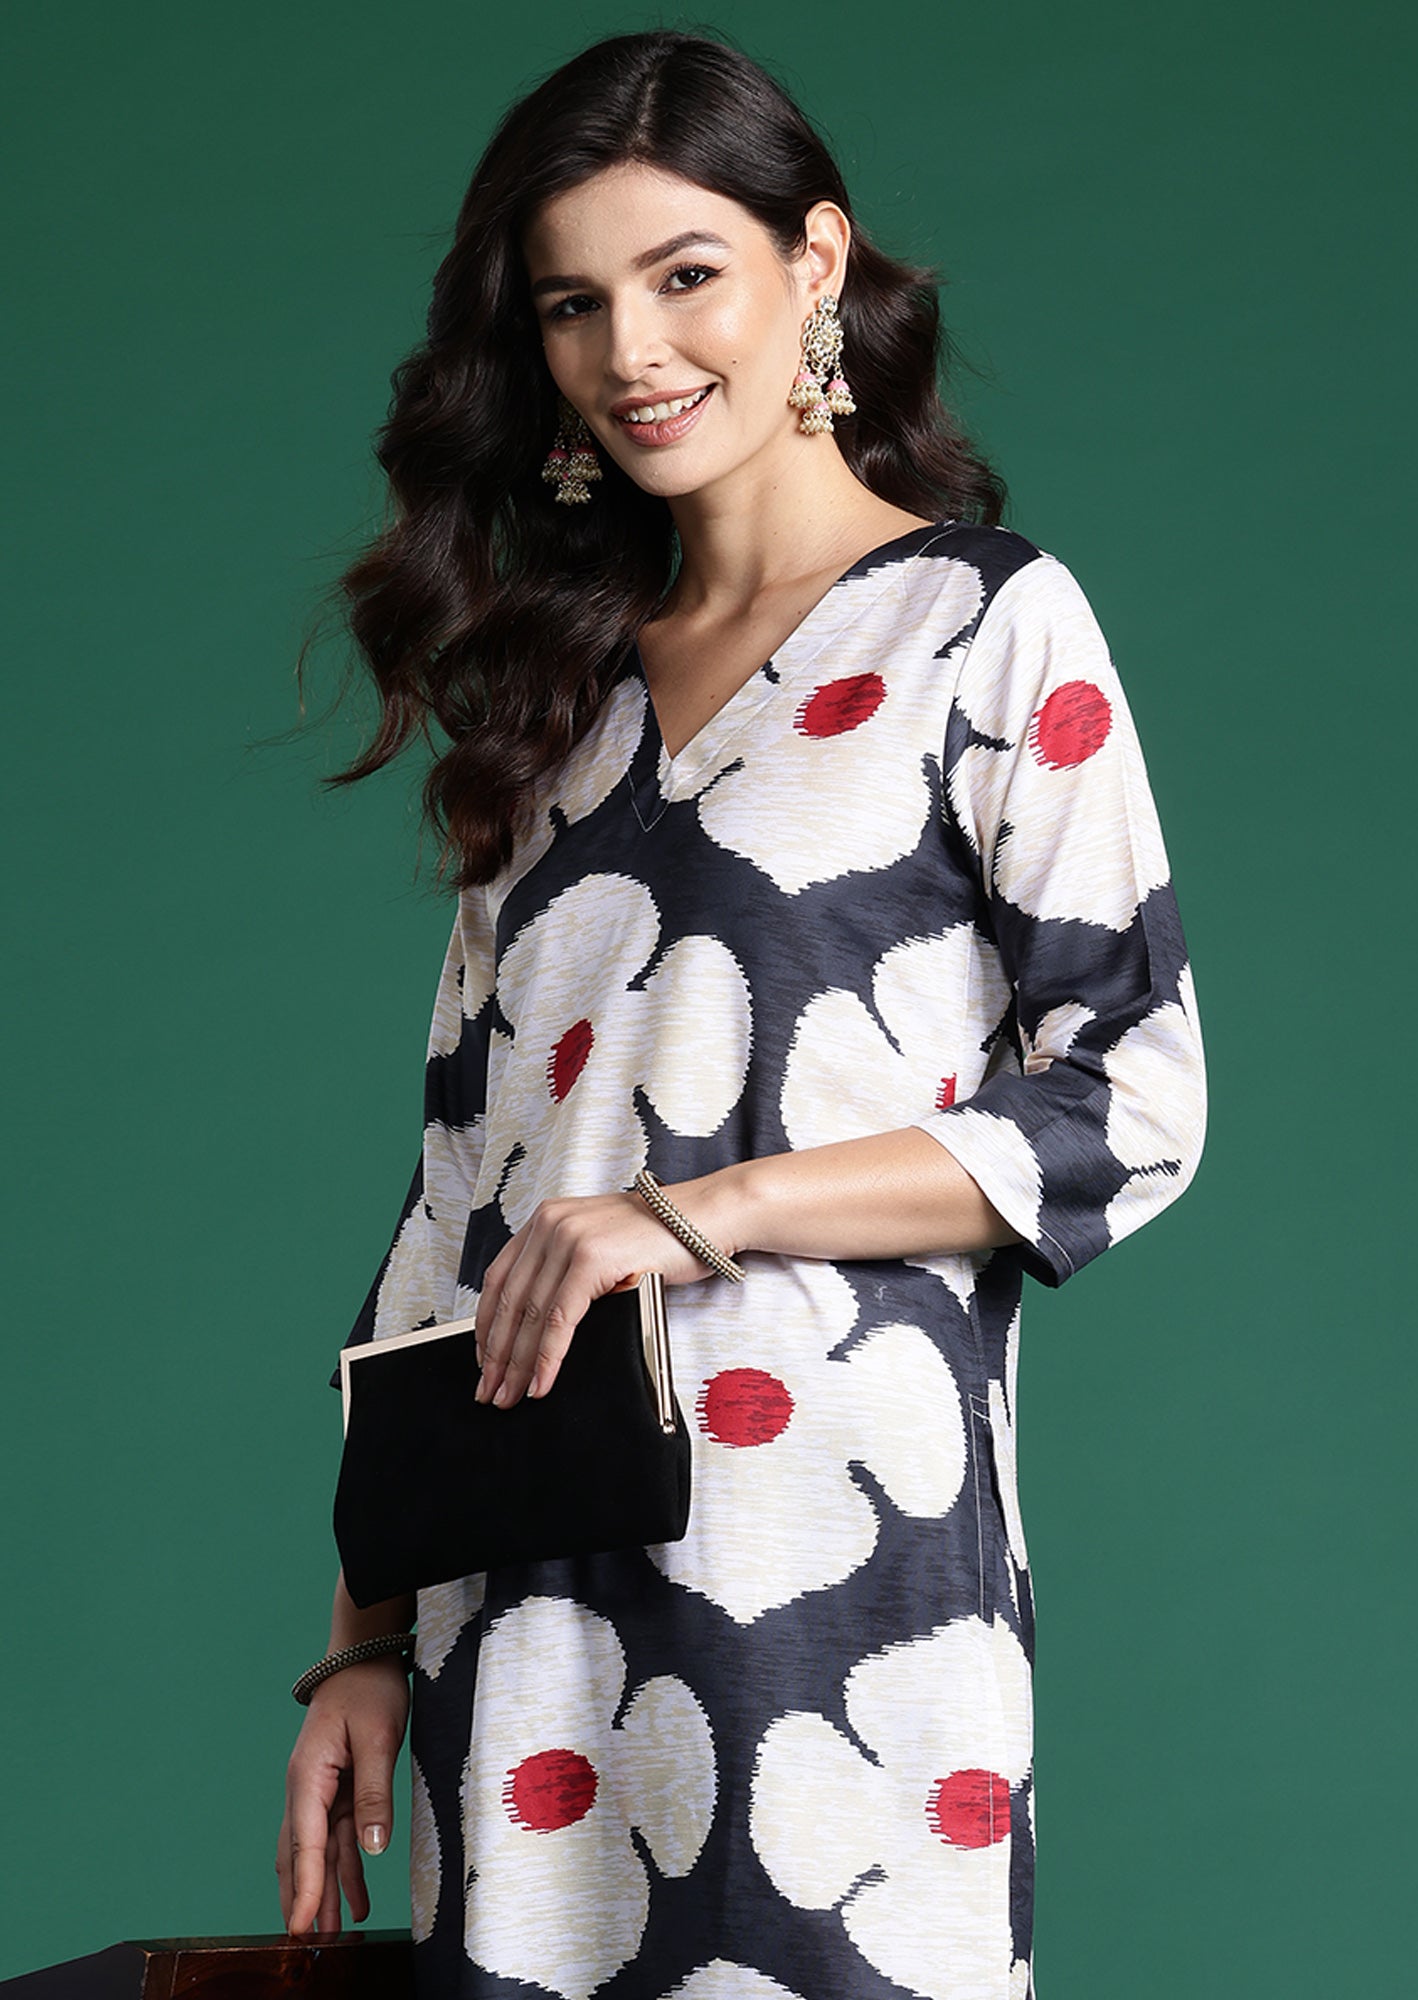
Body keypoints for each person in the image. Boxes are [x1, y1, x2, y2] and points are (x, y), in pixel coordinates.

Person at [276, 27, 1207, 2000]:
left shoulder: (984, 625)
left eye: (685, 272)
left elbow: (1132, 1097)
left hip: (838, 1595)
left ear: (817, 265)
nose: (632, 351)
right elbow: (453, 1205)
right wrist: (357, 1641)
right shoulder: (554, 703)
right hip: (521, 1616)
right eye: (573, 304)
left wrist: (697, 1212)